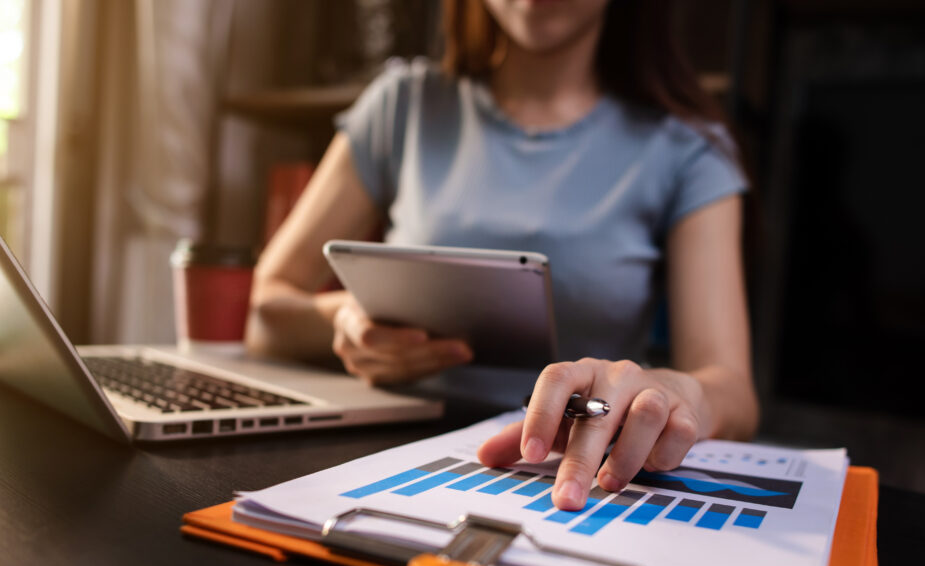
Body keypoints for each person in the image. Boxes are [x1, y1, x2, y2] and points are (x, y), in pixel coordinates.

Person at [247, 0, 758, 511]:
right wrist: (350, 320)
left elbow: (732, 390)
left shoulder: (688, 148)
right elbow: (265, 312)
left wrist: (667, 392)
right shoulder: (403, 104)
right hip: (380, 463)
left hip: (569, 478)